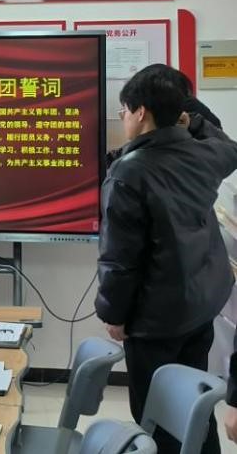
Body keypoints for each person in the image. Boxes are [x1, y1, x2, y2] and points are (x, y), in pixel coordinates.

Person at [96, 63, 237, 454]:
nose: (123, 117)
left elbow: (120, 261)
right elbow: (223, 139)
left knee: (157, 419)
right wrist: (187, 113)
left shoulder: (129, 173)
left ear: (141, 112)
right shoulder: (204, 153)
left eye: (124, 110)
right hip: (200, 306)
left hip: (155, 320)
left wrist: (114, 315)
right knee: (195, 406)